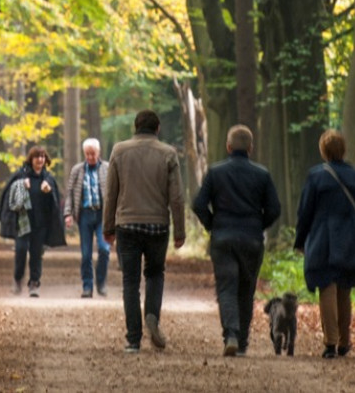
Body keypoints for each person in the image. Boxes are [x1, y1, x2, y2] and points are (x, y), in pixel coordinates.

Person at [192, 124, 281, 357]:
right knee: (246, 289)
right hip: (251, 239)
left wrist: (212, 224)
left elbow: (198, 204)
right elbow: (274, 208)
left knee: (227, 288)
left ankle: (230, 334)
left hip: (223, 238)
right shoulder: (262, 174)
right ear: (250, 148)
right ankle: (242, 342)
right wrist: (259, 225)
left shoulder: (216, 172)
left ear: (228, 146)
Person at [103, 110, 186, 353]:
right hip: (158, 224)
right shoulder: (168, 153)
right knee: (155, 273)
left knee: (130, 281)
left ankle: (133, 339)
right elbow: (177, 197)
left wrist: (108, 227)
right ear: (157, 128)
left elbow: (111, 193)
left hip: (127, 224)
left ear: (135, 127)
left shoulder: (119, 151)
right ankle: (152, 315)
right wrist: (180, 230)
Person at [293, 129, 355, 359]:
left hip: (323, 240)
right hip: (349, 240)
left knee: (326, 287)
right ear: (343, 149)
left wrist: (300, 241)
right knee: (344, 289)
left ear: (323, 150)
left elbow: (305, 212)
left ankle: (329, 342)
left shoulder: (316, 176)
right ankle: (344, 341)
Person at [0, 146, 66, 296]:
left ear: (45, 160)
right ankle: (17, 278)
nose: (40, 160)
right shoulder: (21, 175)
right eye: (37, 157)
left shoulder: (48, 178)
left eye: (42, 157)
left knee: (36, 254)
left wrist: (49, 192)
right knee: (20, 250)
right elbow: (9, 195)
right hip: (23, 222)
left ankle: (34, 283)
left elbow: (54, 204)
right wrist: (22, 186)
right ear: (31, 159)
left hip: (40, 224)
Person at [64, 137, 111, 298]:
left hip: (102, 215)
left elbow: (115, 192)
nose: (90, 157)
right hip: (84, 215)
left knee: (104, 249)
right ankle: (87, 286)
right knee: (86, 254)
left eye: (93, 153)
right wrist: (68, 214)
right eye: (87, 154)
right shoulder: (77, 170)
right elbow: (70, 193)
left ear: (99, 153)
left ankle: (101, 282)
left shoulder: (107, 168)